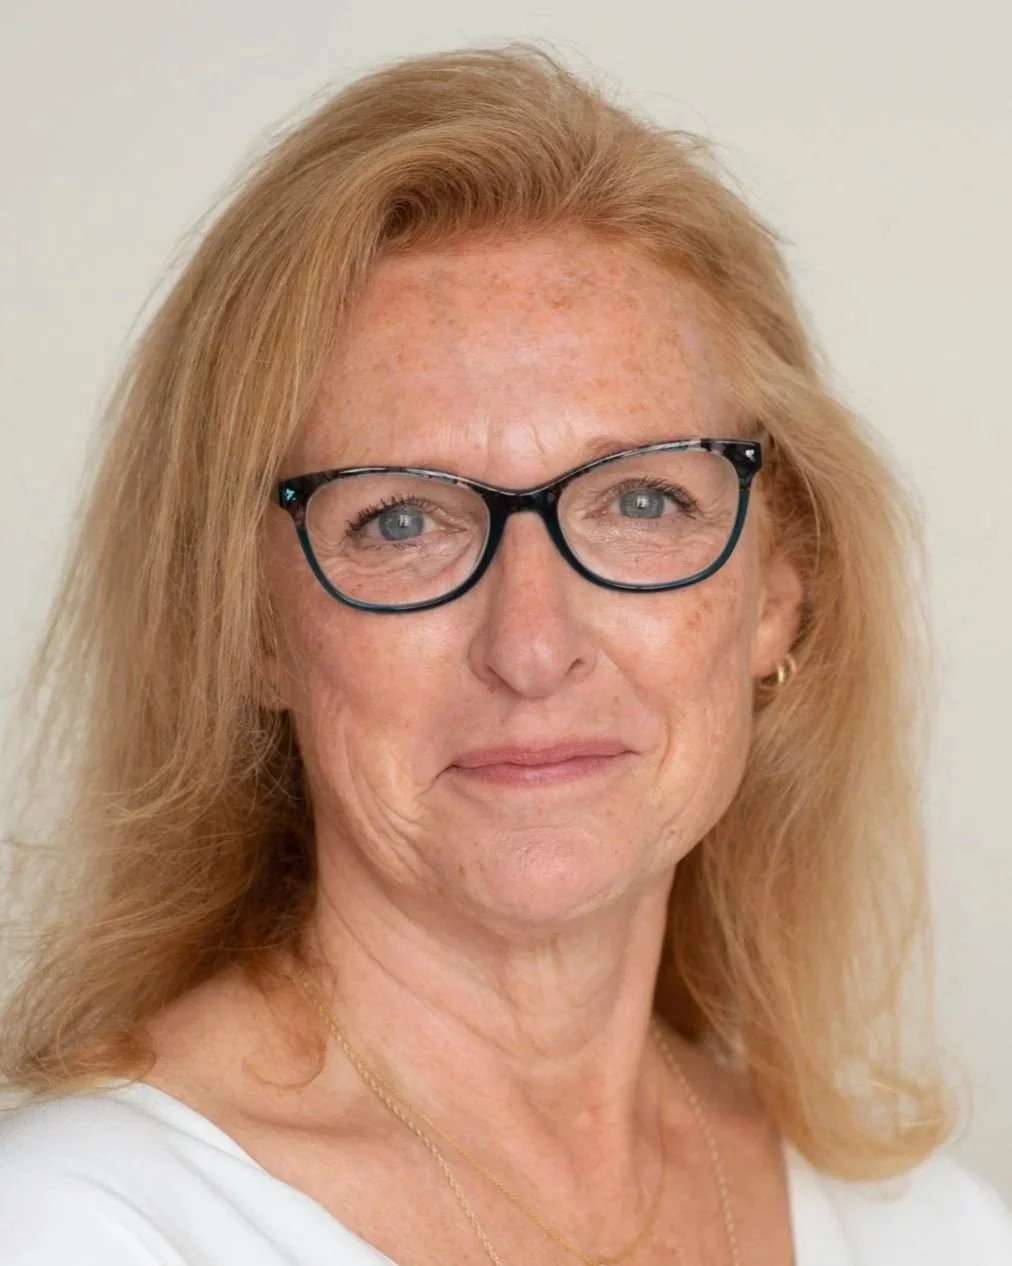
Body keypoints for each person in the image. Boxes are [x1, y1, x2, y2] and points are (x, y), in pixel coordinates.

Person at [0, 43, 1009, 1266]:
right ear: (252, 623)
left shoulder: (927, 1230)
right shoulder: (78, 1225)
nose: (531, 647)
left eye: (640, 501)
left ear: (775, 597)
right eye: (401, 522)